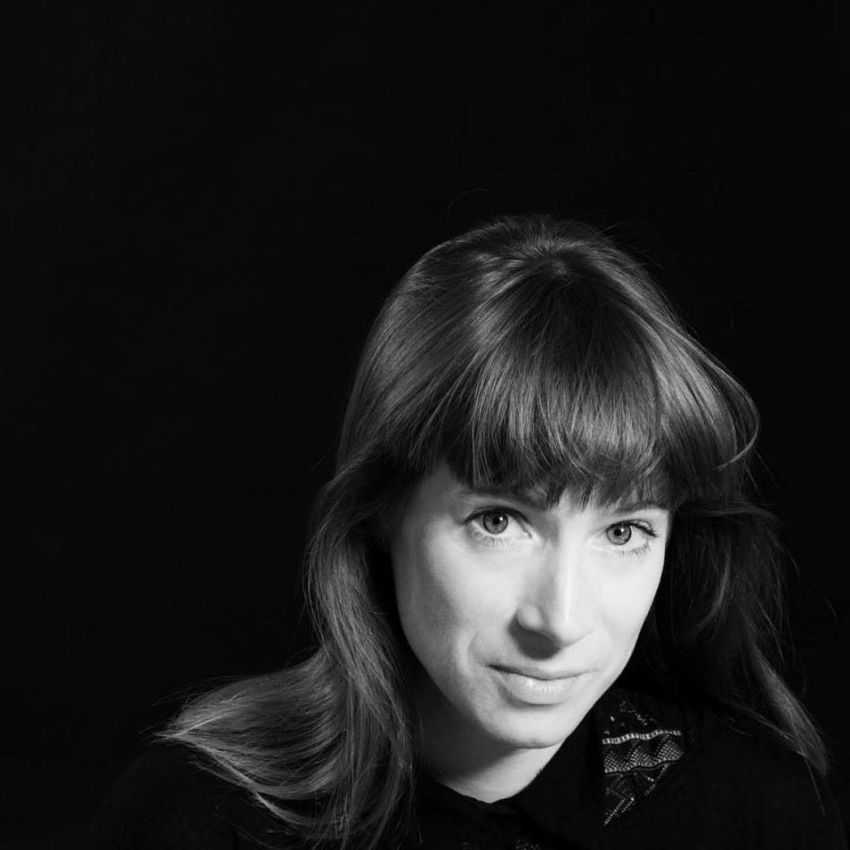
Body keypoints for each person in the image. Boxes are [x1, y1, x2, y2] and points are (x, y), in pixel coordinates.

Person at [85, 215, 847, 849]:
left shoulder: (756, 810)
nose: (560, 621)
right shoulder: (200, 818)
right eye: (499, 521)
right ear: (381, 514)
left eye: (624, 533)